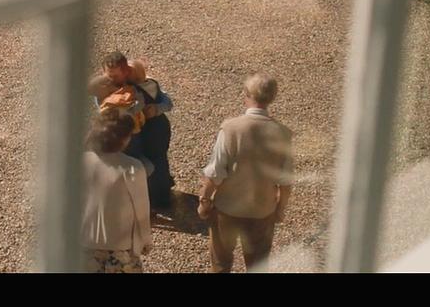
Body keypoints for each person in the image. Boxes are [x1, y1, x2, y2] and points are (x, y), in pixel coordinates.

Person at [197, 73, 294, 273]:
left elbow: (215, 172)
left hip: (227, 209)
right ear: (272, 98)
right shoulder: (283, 133)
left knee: (221, 263)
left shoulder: (230, 129)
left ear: (247, 95)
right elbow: (285, 181)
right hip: (262, 209)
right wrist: (280, 208)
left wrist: (204, 201)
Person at [88, 51, 176, 210]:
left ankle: (161, 199)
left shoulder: (143, 84)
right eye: (108, 75)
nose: (110, 79)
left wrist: (156, 109)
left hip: (154, 131)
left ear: (126, 72)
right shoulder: (104, 91)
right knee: (139, 167)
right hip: (131, 136)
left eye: (115, 76)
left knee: (157, 163)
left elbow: (167, 101)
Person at [81, 108, 154, 273]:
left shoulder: (81, 161)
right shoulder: (132, 167)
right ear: (125, 138)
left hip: (85, 244)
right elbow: (141, 210)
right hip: (120, 248)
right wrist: (145, 241)